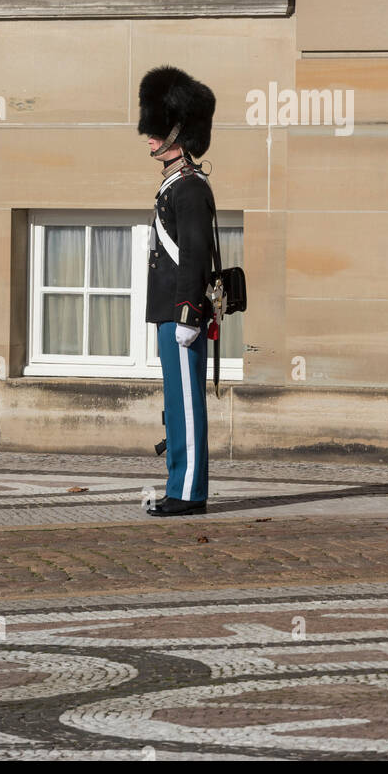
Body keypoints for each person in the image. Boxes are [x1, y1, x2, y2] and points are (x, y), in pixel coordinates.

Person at [138, 65, 216, 517]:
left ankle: (188, 493)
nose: (149, 135)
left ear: (177, 132)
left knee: (186, 404)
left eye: (157, 128)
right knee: (175, 403)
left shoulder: (189, 189)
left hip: (181, 314)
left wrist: (188, 313)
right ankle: (179, 485)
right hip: (168, 311)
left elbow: (194, 256)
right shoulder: (174, 185)